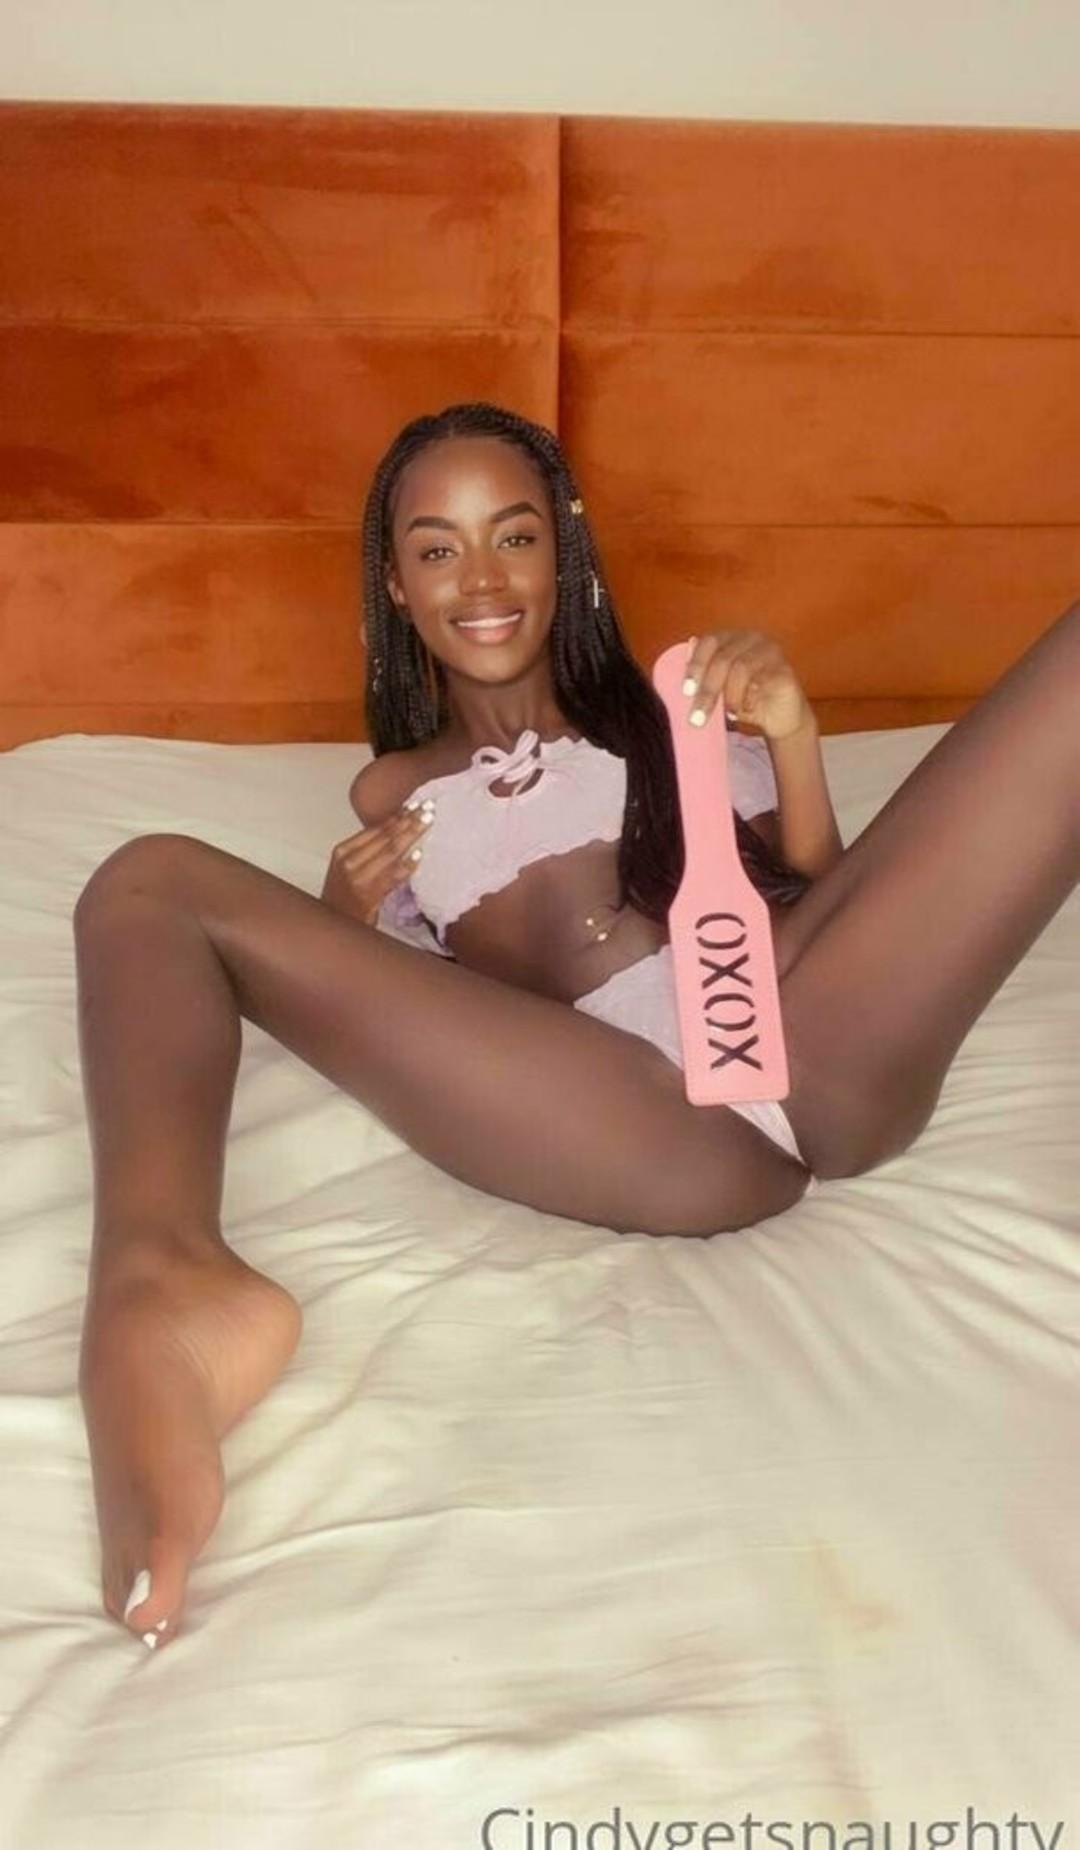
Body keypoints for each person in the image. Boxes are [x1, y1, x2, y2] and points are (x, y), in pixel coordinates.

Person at [73, 401, 1079, 1653]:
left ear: (565, 553)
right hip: (635, 1113)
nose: (482, 580)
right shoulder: (393, 795)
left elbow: (833, 899)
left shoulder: (673, 712)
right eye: (437, 548)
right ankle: (167, 1284)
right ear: (395, 584)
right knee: (147, 883)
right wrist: (339, 923)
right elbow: (427, 1032)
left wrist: (795, 738)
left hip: (804, 1028)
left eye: (515, 536)